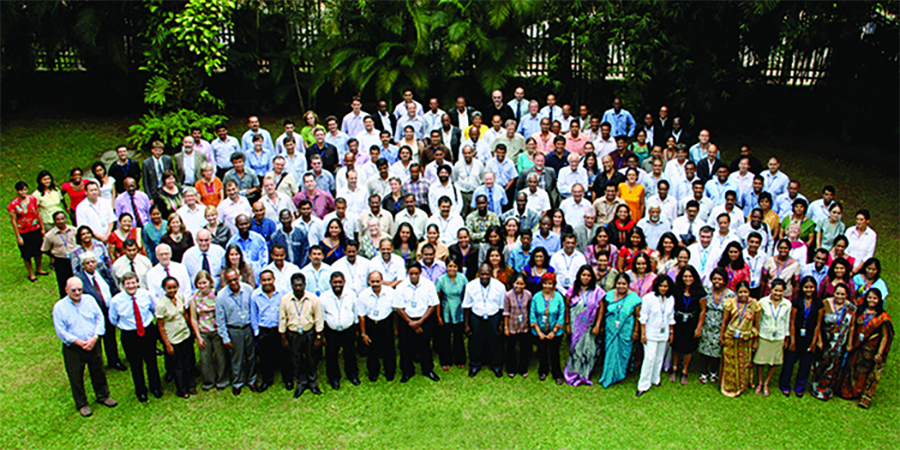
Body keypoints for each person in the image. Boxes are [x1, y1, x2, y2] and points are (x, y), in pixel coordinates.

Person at [52, 277, 118, 417]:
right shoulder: (59, 307)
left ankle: (103, 395)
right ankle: (82, 403)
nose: (77, 293)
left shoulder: (89, 300)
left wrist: (95, 337)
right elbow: (61, 331)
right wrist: (78, 342)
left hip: (93, 343)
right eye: (73, 290)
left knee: (98, 370)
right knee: (76, 376)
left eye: (79, 290)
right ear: (66, 290)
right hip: (74, 348)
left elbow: (99, 318)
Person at [109, 272, 162, 402]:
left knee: (151, 360)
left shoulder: (146, 294)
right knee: (135, 363)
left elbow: (152, 309)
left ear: (137, 283)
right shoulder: (116, 301)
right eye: (127, 283)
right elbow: (113, 319)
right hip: (130, 334)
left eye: (133, 283)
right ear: (122, 285)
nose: (131, 286)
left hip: (147, 331)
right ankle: (141, 391)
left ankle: (155, 387)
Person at [838, 288, 893, 409]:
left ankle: (860, 394)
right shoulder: (861, 312)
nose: (871, 300)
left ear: (879, 300)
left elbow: (885, 336)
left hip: (870, 349)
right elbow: (853, 326)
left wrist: (879, 353)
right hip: (857, 345)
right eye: (870, 297)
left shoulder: (882, 318)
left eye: (874, 298)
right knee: (852, 367)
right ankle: (846, 391)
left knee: (864, 371)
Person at [76, 253, 125, 371]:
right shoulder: (80, 279)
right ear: (83, 265)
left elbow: (112, 286)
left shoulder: (102, 272)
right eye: (87, 263)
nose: (91, 265)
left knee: (110, 337)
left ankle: (114, 359)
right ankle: (96, 364)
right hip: (93, 314)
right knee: (96, 338)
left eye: (92, 262)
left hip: (107, 310)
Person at [278, 272, 325, 398]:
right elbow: (282, 319)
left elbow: (318, 318)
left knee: (311, 359)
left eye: (300, 285)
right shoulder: (285, 300)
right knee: (296, 360)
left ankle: (313, 383)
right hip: (293, 334)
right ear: (291, 285)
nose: (298, 288)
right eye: (295, 286)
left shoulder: (313, 299)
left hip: (308, 333)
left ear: (305, 285)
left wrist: (318, 336)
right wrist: (283, 337)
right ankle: (300, 383)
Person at [393, 262, 441, 383]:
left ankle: (428, 370)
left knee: (425, 346)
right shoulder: (401, 287)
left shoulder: (428, 285)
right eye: (411, 273)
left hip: (424, 319)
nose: (413, 276)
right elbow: (399, 308)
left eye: (416, 273)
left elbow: (432, 305)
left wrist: (420, 322)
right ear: (407, 273)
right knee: (405, 347)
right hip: (406, 320)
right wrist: (411, 323)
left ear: (420, 273)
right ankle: (407, 371)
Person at [778, 276, 824, 398]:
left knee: (806, 363)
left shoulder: (818, 303)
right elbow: (792, 321)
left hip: (809, 336)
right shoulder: (797, 301)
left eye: (811, 287)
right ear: (802, 288)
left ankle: (800, 387)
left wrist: (814, 342)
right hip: (796, 335)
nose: (809, 290)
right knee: (789, 362)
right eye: (806, 287)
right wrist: (792, 340)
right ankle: (785, 385)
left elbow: (818, 324)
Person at [809, 283, 856, 400]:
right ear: (834, 293)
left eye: (843, 294)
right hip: (825, 340)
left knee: (835, 366)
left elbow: (852, 326)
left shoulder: (851, 308)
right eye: (838, 293)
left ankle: (828, 389)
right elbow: (818, 323)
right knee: (820, 363)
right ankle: (816, 387)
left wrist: (850, 343)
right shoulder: (825, 303)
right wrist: (818, 339)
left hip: (840, 343)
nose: (840, 296)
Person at [216, 267, 257, 395]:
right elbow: (220, 319)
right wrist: (225, 337)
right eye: (230, 281)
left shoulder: (248, 290)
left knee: (251, 356)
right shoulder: (221, 296)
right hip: (234, 330)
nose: (233, 283)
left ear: (239, 277)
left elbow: (254, 310)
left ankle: (252, 380)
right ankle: (237, 383)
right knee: (236, 358)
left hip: (248, 327)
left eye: (235, 279)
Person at [155, 277, 197, 399]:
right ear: (164, 288)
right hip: (173, 338)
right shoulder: (161, 305)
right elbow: (161, 326)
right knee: (178, 365)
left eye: (174, 287)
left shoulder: (180, 297)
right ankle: (181, 389)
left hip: (184, 334)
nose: (172, 290)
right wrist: (167, 344)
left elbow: (184, 314)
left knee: (188, 361)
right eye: (169, 288)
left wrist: (192, 329)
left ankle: (191, 384)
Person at [599, 272, 642, 388]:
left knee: (624, 352)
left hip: (626, 328)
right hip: (611, 327)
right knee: (610, 350)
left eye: (624, 284)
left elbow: (638, 316)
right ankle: (608, 375)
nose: (621, 286)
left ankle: (620, 375)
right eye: (619, 283)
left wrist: (636, 331)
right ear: (615, 284)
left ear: (628, 285)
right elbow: (604, 311)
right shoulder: (609, 295)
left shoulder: (634, 298)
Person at [564, 265, 606, 386]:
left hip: (590, 326)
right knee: (576, 350)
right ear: (579, 276)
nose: (586, 278)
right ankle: (573, 375)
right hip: (575, 325)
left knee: (589, 350)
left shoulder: (597, 290)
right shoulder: (573, 289)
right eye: (583, 275)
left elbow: (601, 308)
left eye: (588, 275)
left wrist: (598, 325)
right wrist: (567, 324)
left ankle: (584, 375)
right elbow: (567, 306)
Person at [463, 263, 507, 378]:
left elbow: (502, 307)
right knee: (475, 341)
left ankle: (496, 365)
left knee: (495, 342)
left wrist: (501, 323)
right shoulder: (470, 286)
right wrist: (466, 324)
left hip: (494, 316)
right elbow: (467, 306)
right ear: (478, 274)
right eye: (482, 274)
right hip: (476, 316)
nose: (484, 277)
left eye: (487, 274)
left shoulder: (500, 286)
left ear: (492, 274)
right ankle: (474, 365)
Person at [318, 272, 360, 390]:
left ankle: (352, 375)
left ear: (344, 282)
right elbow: (321, 316)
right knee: (331, 356)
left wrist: (356, 329)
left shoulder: (351, 295)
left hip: (348, 329)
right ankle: (334, 379)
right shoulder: (324, 297)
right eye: (335, 282)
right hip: (331, 331)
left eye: (340, 282)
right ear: (330, 283)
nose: (337, 285)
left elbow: (355, 311)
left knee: (350, 353)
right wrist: (322, 334)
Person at [719, 281, 761, 397]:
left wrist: (756, 341)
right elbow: (725, 321)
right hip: (731, 336)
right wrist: (722, 336)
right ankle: (729, 386)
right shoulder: (731, 303)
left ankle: (742, 385)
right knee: (730, 362)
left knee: (744, 362)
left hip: (746, 338)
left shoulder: (754, 305)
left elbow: (756, 325)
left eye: (745, 292)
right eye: (740, 292)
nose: (743, 295)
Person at [189, 271, 229, 391]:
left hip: (217, 331)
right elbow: (193, 318)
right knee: (205, 359)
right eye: (199, 283)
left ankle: (222, 380)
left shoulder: (217, 295)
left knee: (220, 357)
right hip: (203, 331)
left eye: (204, 283)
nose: (202, 286)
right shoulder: (194, 299)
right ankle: (208, 382)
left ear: (210, 282)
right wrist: (198, 337)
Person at [637, 275, 675, 396]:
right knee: (649, 358)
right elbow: (643, 317)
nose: (663, 288)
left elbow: (670, 317)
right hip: (650, 332)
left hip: (663, 332)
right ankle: (643, 385)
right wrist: (643, 334)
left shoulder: (670, 299)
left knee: (659, 357)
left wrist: (671, 332)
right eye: (661, 286)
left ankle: (655, 379)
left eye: (665, 286)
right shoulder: (648, 298)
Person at [671, 266, 707, 385]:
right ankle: (674, 368)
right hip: (678, 321)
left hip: (692, 321)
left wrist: (699, 327)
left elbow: (703, 310)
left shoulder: (700, 291)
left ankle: (685, 370)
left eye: (690, 276)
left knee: (688, 348)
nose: (688, 279)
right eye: (685, 276)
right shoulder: (676, 289)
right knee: (676, 346)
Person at [698, 268, 734, 385]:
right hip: (707, 324)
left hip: (721, 325)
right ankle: (704, 372)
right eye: (714, 279)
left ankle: (713, 372)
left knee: (717, 351)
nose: (716, 281)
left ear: (724, 281)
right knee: (704, 349)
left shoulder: (730, 295)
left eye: (719, 279)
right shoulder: (706, 291)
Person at [530, 273, 565, 384]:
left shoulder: (558, 297)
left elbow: (561, 314)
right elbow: (532, 314)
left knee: (554, 353)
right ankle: (543, 371)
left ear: (553, 284)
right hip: (539, 331)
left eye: (550, 283)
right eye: (545, 283)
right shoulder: (536, 297)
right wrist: (539, 332)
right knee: (542, 352)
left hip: (554, 332)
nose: (547, 286)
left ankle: (557, 374)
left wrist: (554, 331)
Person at [9, 180, 46, 282]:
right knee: (27, 254)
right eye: (21, 190)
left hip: (35, 228)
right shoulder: (14, 204)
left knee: (39, 250)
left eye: (25, 190)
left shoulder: (33, 199)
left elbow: (38, 213)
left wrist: (42, 227)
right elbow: (14, 221)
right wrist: (18, 237)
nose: (23, 192)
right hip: (24, 231)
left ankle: (39, 268)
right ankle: (31, 273)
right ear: (17, 191)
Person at [435, 255, 468, 370]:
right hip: (446, 310)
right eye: (450, 266)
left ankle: (460, 359)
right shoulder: (441, 279)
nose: (452, 269)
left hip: (459, 310)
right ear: (446, 267)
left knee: (458, 336)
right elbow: (437, 299)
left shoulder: (462, 278)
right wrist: (438, 316)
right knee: (445, 337)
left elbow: (466, 294)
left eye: (454, 266)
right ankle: (445, 360)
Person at [42, 211, 79, 296]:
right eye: (58, 219)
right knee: (63, 282)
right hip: (61, 261)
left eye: (62, 218)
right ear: (54, 221)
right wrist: (55, 255)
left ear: (65, 219)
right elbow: (45, 249)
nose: (60, 221)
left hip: (74, 259)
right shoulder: (50, 235)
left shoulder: (74, 230)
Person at [844, 209, 877, 274]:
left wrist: (857, 268)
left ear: (867, 221)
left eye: (861, 220)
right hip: (847, 264)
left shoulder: (872, 235)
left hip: (861, 267)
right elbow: (845, 249)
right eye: (857, 219)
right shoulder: (849, 231)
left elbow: (869, 254)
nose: (858, 222)